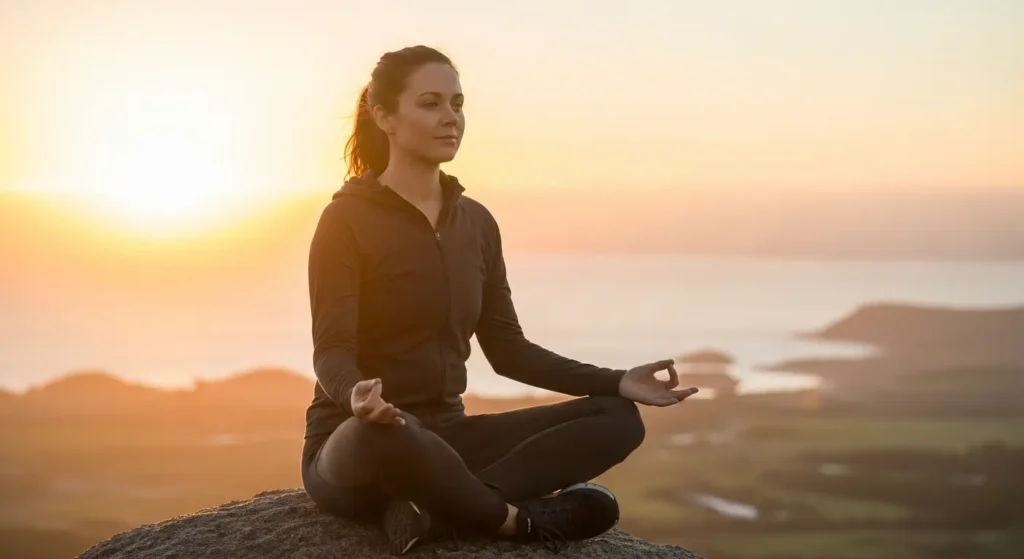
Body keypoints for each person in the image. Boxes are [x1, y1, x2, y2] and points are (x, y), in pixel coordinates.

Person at [300, 45, 698, 556]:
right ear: (385, 118)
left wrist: (616, 380)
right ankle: (513, 523)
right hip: (362, 441)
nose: (451, 118)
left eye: (457, 103)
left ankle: (438, 513)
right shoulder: (345, 221)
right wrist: (356, 395)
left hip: (449, 438)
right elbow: (330, 349)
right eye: (430, 103)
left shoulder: (477, 224)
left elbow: (508, 350)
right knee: (394, 435)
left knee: (616, 417)